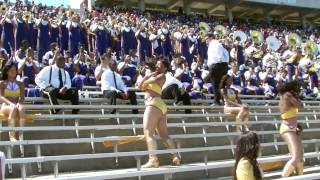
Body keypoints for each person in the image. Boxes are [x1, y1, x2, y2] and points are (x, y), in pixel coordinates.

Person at [137, 58, 180, 168]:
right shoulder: (155, 75)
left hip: (153, 103)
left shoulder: (162, 76)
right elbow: (140, 87)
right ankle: (175, 156)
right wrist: (146, 78)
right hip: (159, 105)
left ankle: (153, 160)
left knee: (148, 133)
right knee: (164, 134)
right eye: (156, 64)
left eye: (159, 64)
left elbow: (144, 84)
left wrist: (146, 78)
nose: (156, 65)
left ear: (165, 67)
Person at [279, 81, 304, 177]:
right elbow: (300, 106)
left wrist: (297, 124)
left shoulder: (286, 95)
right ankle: (284, 177)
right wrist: (297, 97)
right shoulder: (288, 95)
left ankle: (300, 177)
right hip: (288, 129)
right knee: (296, 157)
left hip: (292, 128)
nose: (299, 90)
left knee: (300, 157)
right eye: (298, 88)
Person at [0, 62, 26, 141]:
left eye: (15, 70)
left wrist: (19, 103)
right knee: (13, 108)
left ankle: (20, 134)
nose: (13, 72)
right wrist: (11, 104)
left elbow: (22, 97)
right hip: (5, 106)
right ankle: (11, 135)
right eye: (11, 70)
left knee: (21, 109)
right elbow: (1, 97)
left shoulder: (21, 83)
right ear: (7, 72)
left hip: (16, 105)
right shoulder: (2, 83)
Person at [206, 33, 229, 105]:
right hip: (222, 65)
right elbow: (226, 53)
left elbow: (218, 47)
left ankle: (217, 101)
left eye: (206, 38)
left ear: (211, 37)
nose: (206, 40)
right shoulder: (219, 44)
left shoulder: (214, 42)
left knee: (215, 84)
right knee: (220, 85)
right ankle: (222, 100)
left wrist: (220, 59)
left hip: (217, 65)